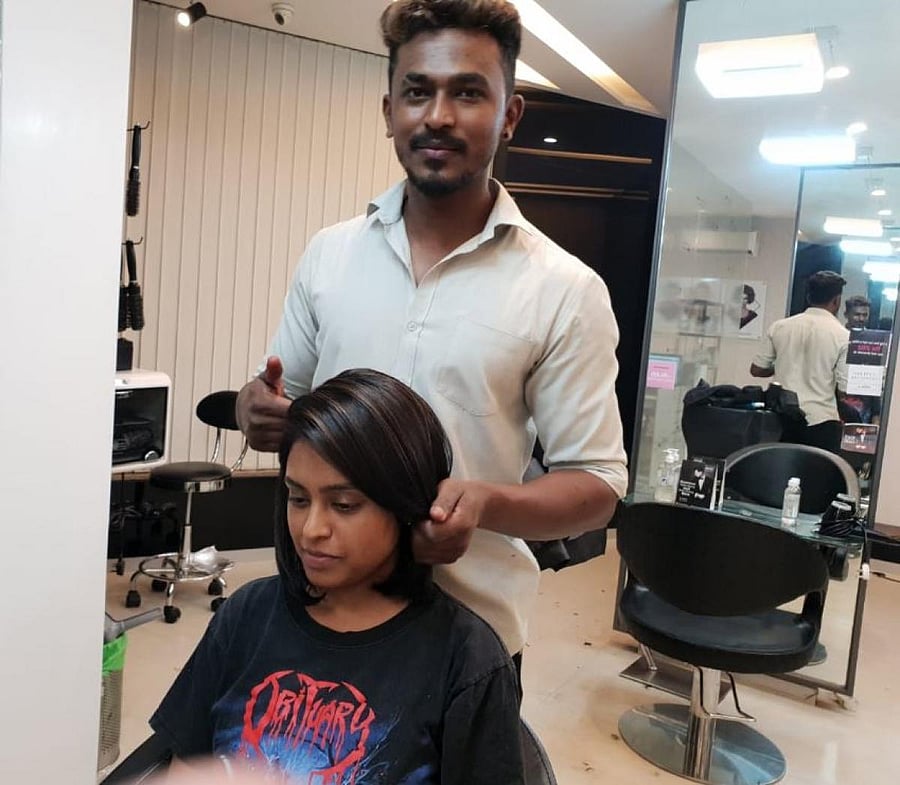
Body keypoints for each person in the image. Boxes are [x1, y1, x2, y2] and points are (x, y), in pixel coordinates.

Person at [235, 0, 627, 661]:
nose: (438, 115)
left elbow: (596, 486)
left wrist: (485, 502)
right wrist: (258, 409)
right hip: (320, 617)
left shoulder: (564, 291)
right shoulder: (329, 256)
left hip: (468, 640)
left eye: (468, 92)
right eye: (417, 91)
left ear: (509, 115)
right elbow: (288, 403)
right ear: (388, 110)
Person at [152, 369, 525, 784]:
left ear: (407, 505)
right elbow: (183, 766)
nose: (312, 529)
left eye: (344, 505)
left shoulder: (466, 661)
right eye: (297, 498)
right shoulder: (246, 617)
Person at [750, 270, 849, 453]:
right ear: (836, 301)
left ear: (809, 296)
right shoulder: (843, 336)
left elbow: (757, 370)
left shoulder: (780, 327)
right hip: (821, 422)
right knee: (819, 478)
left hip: (781, 420)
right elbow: (844, 390)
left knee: (779, 475)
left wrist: (781, 365)